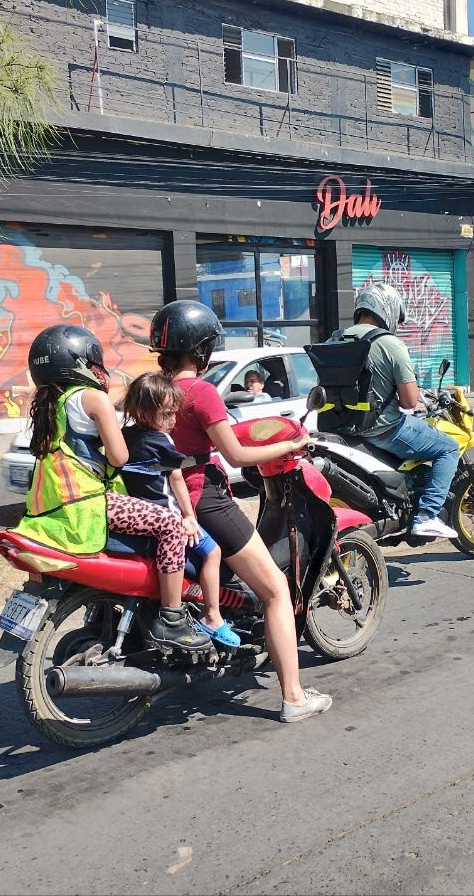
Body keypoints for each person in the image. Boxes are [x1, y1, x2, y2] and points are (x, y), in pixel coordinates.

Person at [151, 299, 332, 724]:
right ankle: (293, 697)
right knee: (276, 591)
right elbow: (235, 454)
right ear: (202, 349)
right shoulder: (201, 392)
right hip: (204, 498)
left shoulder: (152, 390)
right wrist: (291, 445)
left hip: (163, 497)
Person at [15, 324, 211, 655]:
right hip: (87, 504)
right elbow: (119, 456)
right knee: (172, 525)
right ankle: (172, 619)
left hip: (48, 512)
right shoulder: (93, 399)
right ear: (79, 361)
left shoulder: (53, 405)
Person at [119, 371, 240, 649]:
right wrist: (188, 516)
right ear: (143, 411)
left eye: (174, 414)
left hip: (139, 516)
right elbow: (176, 480)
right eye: (167, 414)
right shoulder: (163, 441)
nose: (173, 421)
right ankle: (213, 616)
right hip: (168, 515)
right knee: (213, 552)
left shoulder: (124, 436)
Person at [344, 282, 460, 540]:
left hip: (345, 429)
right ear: (387, 309)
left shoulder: (336, 338)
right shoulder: (389, 344)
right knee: (449, 448)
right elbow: (409, 402)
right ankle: (427, 515)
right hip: (383, 429)